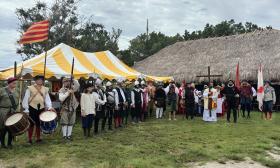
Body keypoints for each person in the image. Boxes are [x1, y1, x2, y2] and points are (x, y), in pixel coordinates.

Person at [22, 75, 54, 144]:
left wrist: (49, 107)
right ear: (35, 81)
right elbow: (26, 98)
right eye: (38, 79)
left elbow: (47, 99)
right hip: (32, 107)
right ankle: (30, 139)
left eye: (41, 80)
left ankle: (38, 138)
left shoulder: (45, 89)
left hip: (41, 108)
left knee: (39, 123)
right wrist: (26, 109)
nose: (40, 81)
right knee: (31, 124)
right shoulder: (30, 88)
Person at [0, 77, 19, 148]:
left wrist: (17, 110)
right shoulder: (2, 90)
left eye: (15, 83)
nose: (15, 84)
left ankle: (9, 143)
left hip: (13, 111)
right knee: (3, 128)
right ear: (9, 83)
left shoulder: (17, 90)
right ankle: (2, 144)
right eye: (13, 83)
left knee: (11, 127)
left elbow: (18, 100)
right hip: (3, 111)